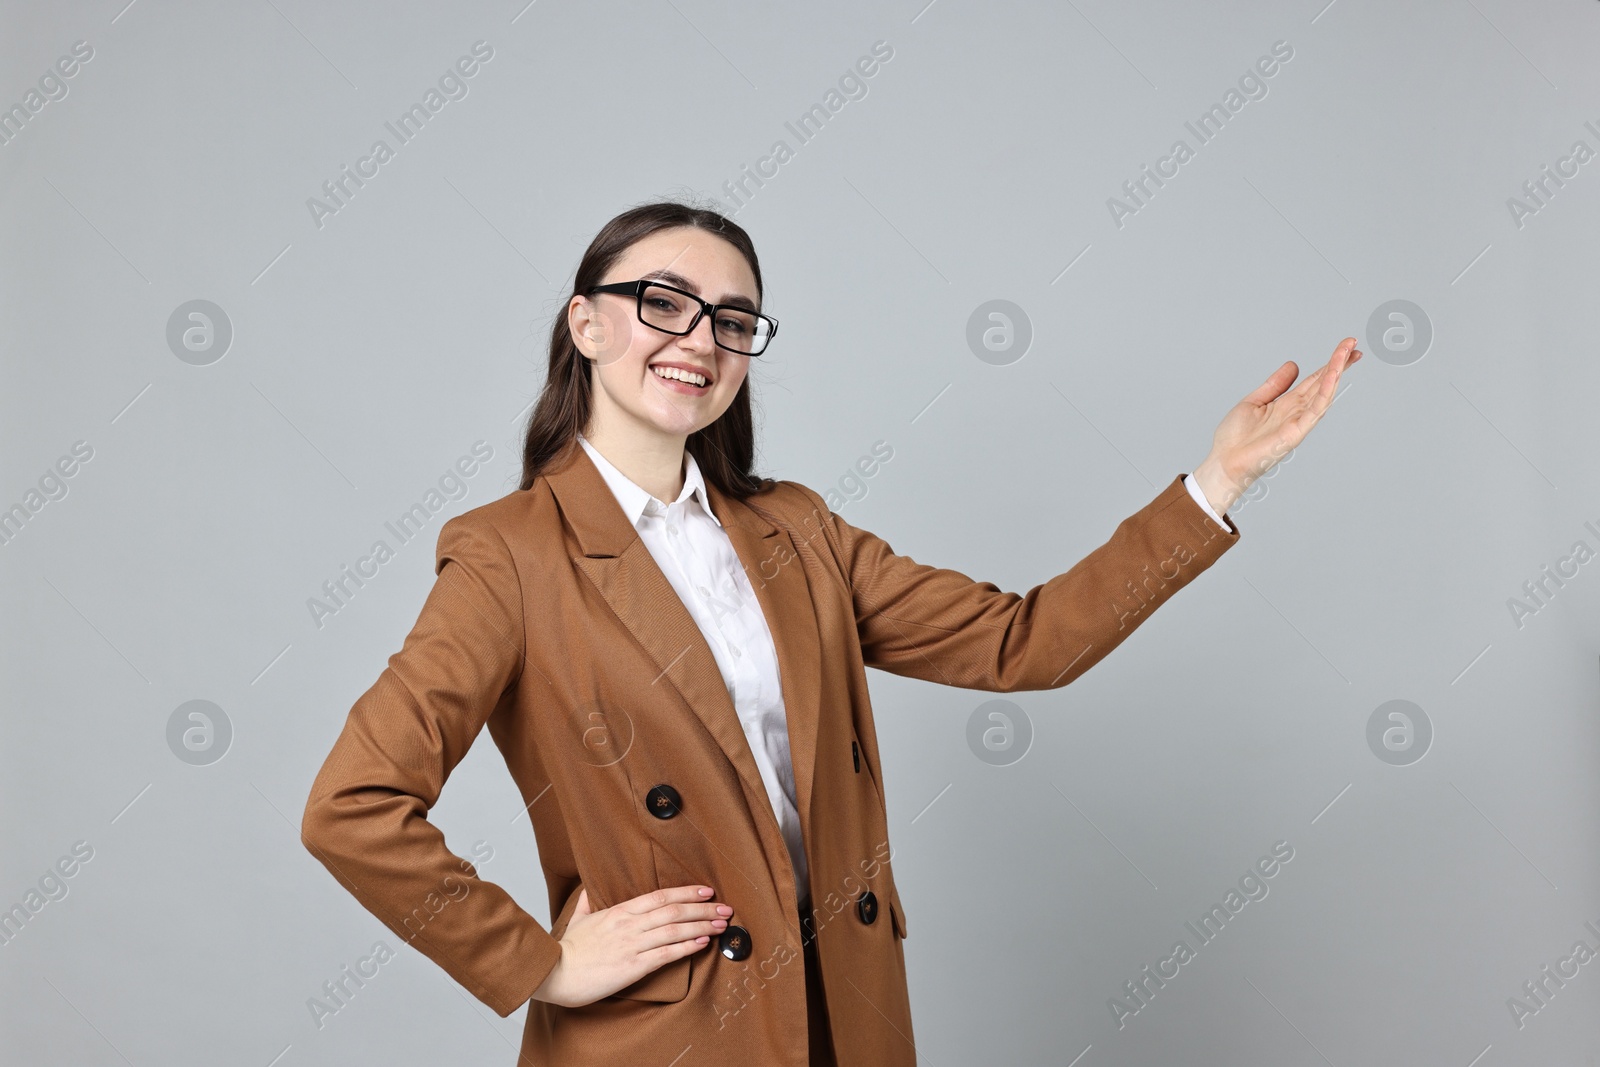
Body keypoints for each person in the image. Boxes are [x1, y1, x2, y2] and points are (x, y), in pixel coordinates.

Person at [300, 198, 1361, 1066]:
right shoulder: (511, 552)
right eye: (661, 303)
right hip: (669, 1032)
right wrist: (538, 962)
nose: (698, 340)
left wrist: (1216, 481)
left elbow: (1021, 642)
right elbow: (352, 804)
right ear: (586, 325)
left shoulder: (793, 529)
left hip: (841, 1012)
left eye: (731, 320)